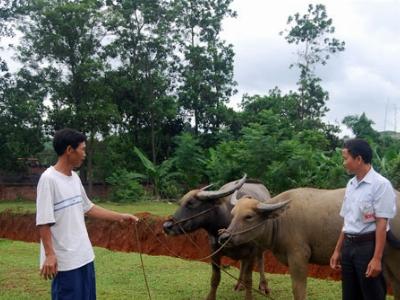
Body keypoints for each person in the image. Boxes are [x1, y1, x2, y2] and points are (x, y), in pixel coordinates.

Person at [36, 128, 139, 300]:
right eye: (82, 149)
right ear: (69, 150)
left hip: (84, 256)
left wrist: (121, 216)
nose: (84, 154)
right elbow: (43, 221)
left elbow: (89, 207)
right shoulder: (48, 179)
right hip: (66, 262)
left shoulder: (74, 178)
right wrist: (50, 254)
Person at [330, 138, 397, 300]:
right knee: (350, 295)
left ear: (358, 159)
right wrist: (338, 250)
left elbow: (382, 223)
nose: (344, 163)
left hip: (367, 248)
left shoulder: (381, 185)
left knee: (372, 295)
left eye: (346, 158)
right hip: (348, 247)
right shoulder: (351, 184)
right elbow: (348, 221)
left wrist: (376, 258)